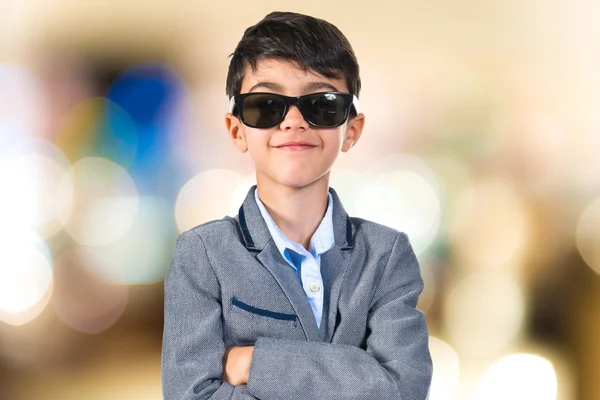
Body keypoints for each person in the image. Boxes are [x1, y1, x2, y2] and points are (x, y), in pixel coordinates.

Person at [162, 11, 433, 400]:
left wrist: (252, 364)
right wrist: (363, 376)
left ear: (351, 128)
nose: (292, 121)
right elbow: (191, 395)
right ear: (237, 129)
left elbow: (405, 388)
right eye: (266, 105)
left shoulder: (387, 256)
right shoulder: (202, 256)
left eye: (320, 103)